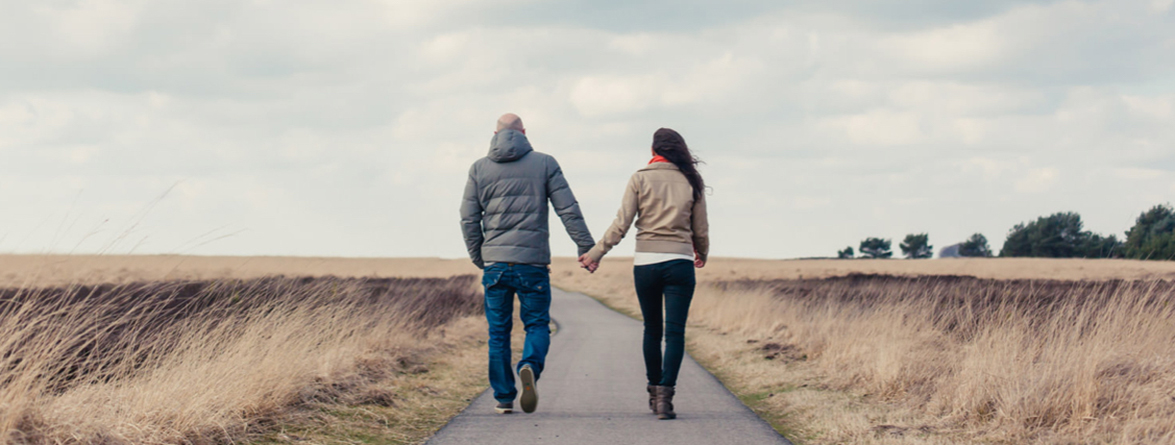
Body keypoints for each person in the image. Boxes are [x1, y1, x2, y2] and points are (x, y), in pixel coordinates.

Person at [461, 113, 595, 415]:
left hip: (495, 264)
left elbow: (469, 219)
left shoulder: (479, 169)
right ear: (524, 132)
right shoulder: (545, 163)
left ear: (494, 133)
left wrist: (480, 257)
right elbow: (568, 209)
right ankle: (529, 365)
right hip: (532, 265)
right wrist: (586, 247)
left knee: (498, 333)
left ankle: (504, 397)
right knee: (536, 324)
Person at [578, 128, 709, 420]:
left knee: (652, 329)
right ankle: (666, 398)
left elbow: (621, 223)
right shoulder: (692, 181)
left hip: (647, 264)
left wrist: (596, 253)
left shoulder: (640, 177)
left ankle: (653, 390)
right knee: (675, 332)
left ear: (653, 152)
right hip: (679, 262)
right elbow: (700, 228)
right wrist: (702, 252)